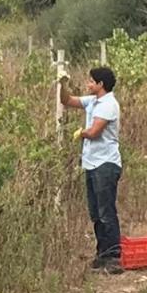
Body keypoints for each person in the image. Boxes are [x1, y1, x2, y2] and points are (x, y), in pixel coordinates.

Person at [59, 66, 123, 274]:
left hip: (106, 164)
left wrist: (81, 133)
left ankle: (113, 256)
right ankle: (102, 253)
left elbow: (95, 132)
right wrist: (62, 84)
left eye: (91, 81)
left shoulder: (108, 105)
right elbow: (68, 101)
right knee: (96, 212)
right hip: (92, 163)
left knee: (106, 212)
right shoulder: (93, 101)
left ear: (100, 85)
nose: (88, 84)